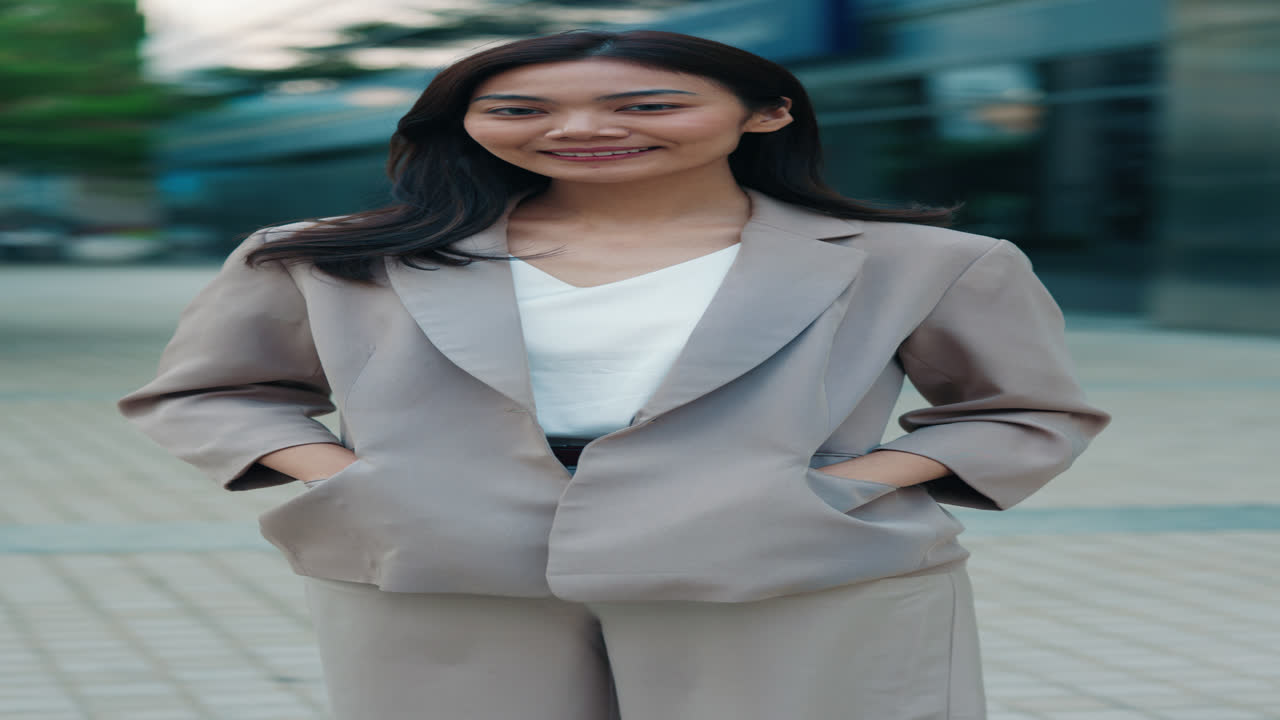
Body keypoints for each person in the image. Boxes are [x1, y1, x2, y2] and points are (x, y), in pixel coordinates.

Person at [118, 29, 1110, 720]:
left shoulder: (926, 262)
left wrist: (833, 490)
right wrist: (360, 481)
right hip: (441, 572)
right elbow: (210, 392)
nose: (578, 128)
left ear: (766, 113)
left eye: (647, 105)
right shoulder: (330, 256)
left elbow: (1020, 411)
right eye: (519, 109)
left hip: (786, 570)